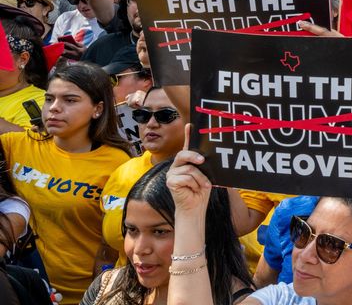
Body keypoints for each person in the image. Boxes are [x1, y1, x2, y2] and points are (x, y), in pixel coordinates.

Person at [164, 123, 352, 305]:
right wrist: (189, 214)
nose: (304, 254)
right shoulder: (281, 299)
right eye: (302, 233)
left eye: (329, 245)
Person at [1, 62, 133, 304]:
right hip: (22, 288)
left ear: (97, 109)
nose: (54, 108)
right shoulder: (16, 145)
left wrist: (98, 296)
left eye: (70, 100)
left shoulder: (118, 164)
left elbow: (111, 246)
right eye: (49, 99)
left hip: (82, 296)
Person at [81, 161, 254, 305]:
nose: (140, 249)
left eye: (159, 232)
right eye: (132, 230)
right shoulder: (108, 286)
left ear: (205, 231)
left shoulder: (242, 301)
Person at [98, 88, 185, 262]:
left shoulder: (210, 180)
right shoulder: (123, 172)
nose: (151, 123)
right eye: (143, 115)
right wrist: (104, 281)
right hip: (125, 285)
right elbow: (107, 248)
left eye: (165, 115)